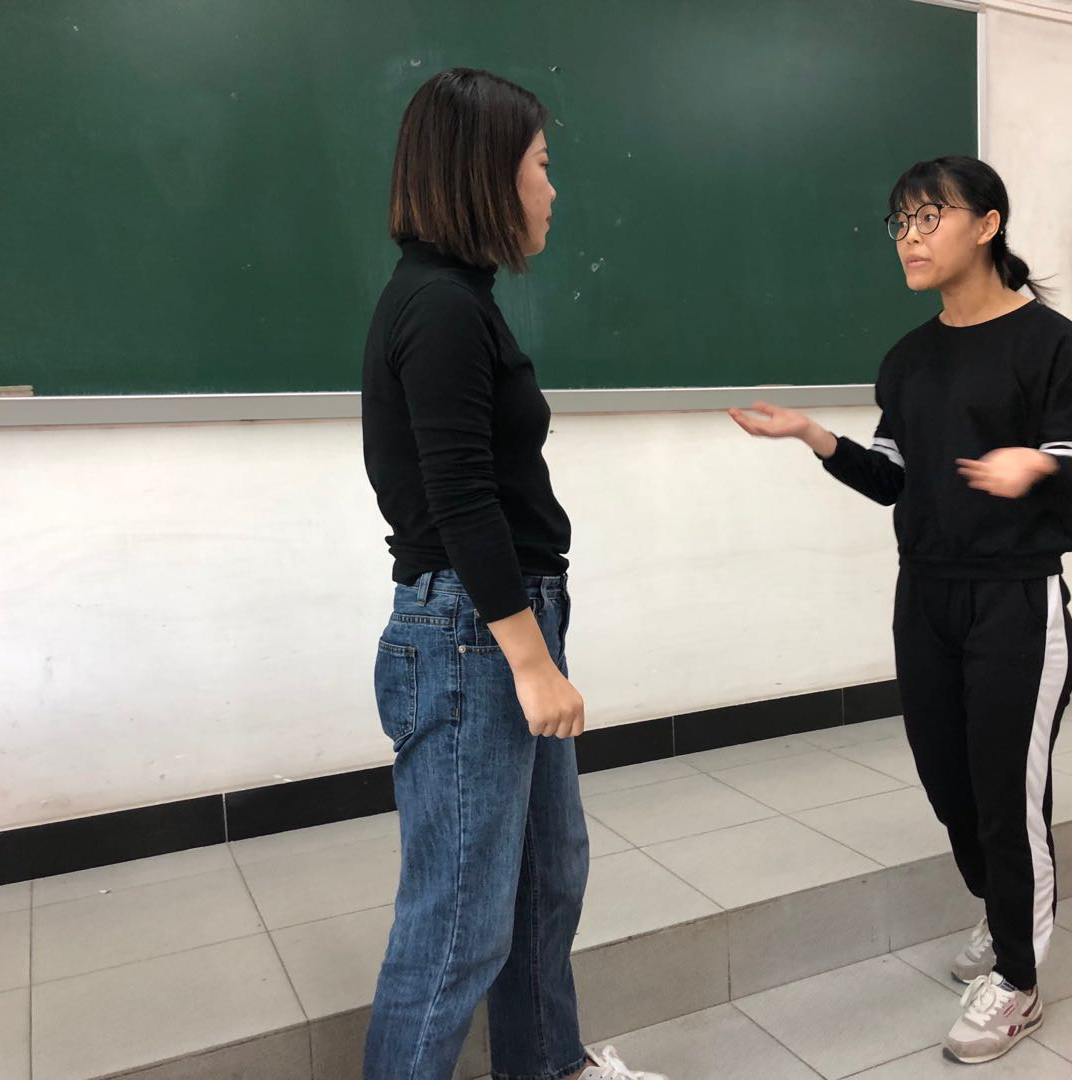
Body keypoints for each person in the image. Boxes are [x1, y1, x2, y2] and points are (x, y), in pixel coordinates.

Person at [731, 155, 1072, 1065]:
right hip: (924, 595)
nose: (909, 237)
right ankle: (998, 909)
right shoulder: (907, 358)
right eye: (900, 221)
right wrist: (815, 437)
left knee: (1008, 795)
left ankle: (1018, 979)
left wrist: (1036, 465)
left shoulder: (1052, 343)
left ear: (988, 224)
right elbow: (893, 477)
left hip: (1016, 598)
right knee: (947, 781)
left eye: (930, 216)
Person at [360, 68, 664, 1080]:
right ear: (486, 173)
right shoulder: (439, 307)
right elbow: (461, 501)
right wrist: (531, 663)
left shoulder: (460, 300)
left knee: (545, 883)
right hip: (473, 636)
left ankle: (549, 1066)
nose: (551, 188)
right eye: (541, 164)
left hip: (495, 622)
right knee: (457, 928)